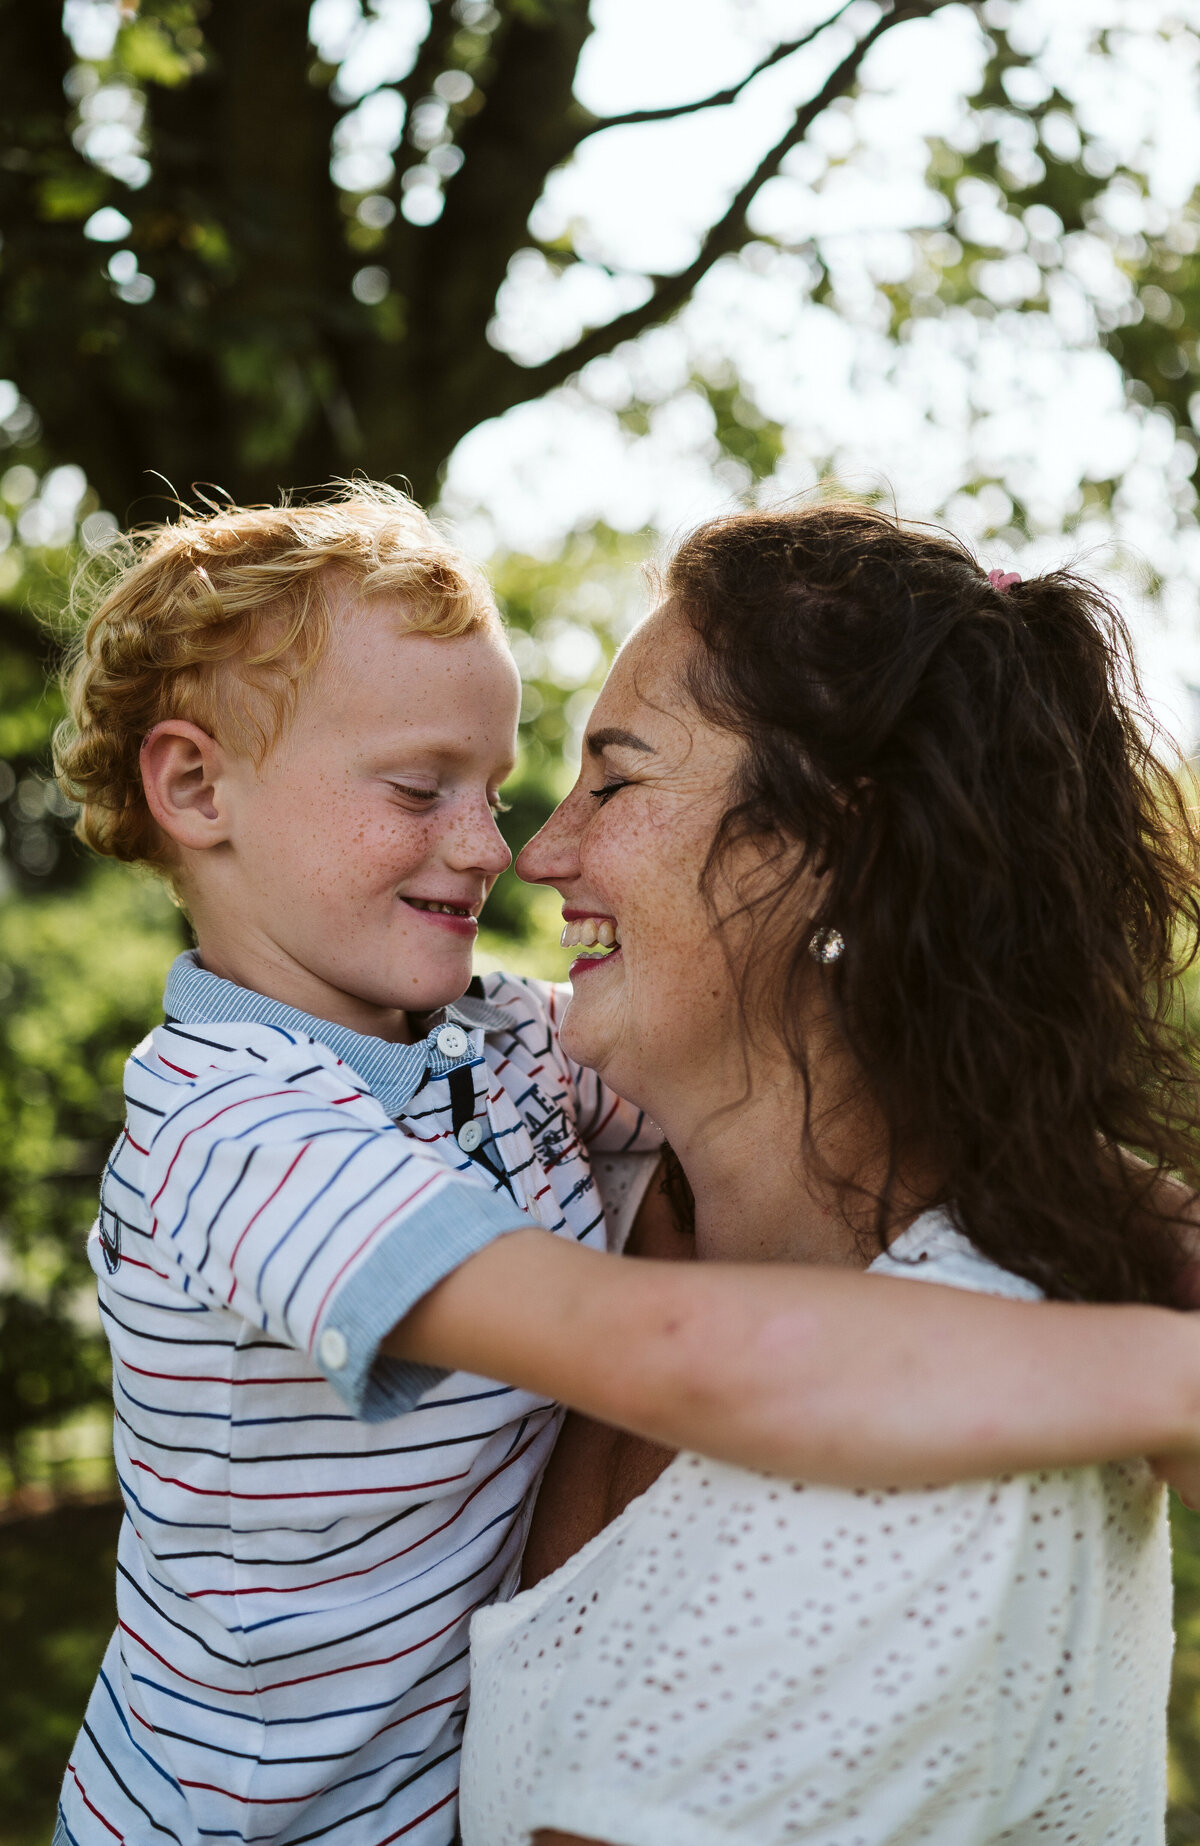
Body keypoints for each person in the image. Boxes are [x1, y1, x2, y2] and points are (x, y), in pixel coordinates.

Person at [49, 483, 1200, 1846]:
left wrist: (1155, 1242)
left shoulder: (492, 1048)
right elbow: (655, 1345)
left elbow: (938, 1118)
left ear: (832, 846)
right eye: (418, 789)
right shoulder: (232, 1133)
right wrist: (1168, 1376)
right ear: (196, 787)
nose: (506, 848)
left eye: (574, 781)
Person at [458, 501, 1200, 1846]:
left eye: (615, 783)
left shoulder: (945, 1455)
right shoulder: (598, 1186)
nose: (538, 849)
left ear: (833, 856)